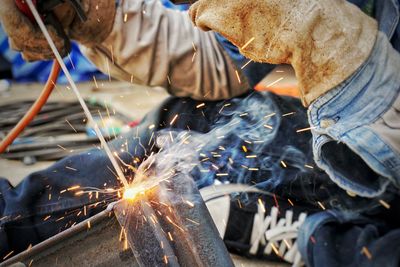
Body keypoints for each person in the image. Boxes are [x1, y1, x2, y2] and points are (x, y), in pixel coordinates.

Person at [0, 0, 399, 266]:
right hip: (362, 136)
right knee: (187, 132)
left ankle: (314, 237)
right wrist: (100, 22)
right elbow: (223, 67)